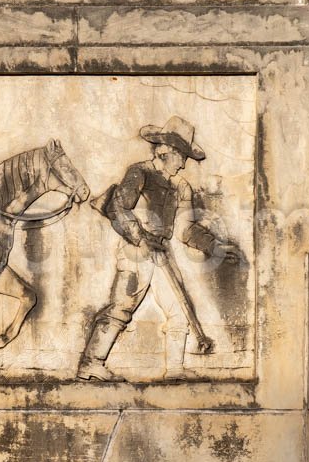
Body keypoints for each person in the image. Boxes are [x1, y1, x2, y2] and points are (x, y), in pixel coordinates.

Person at [78, 116, 243, 382]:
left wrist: (216, 247)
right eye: (182, 156)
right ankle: (91, 365)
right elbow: (119, 208)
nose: (184, 163)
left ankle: (175, 370)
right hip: (136, 251)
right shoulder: (139, 172)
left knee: (179, 309)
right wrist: (140, 238)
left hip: (162, 254)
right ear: (168, 152)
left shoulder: (181, 186)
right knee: (122, 306)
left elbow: (185, 229)